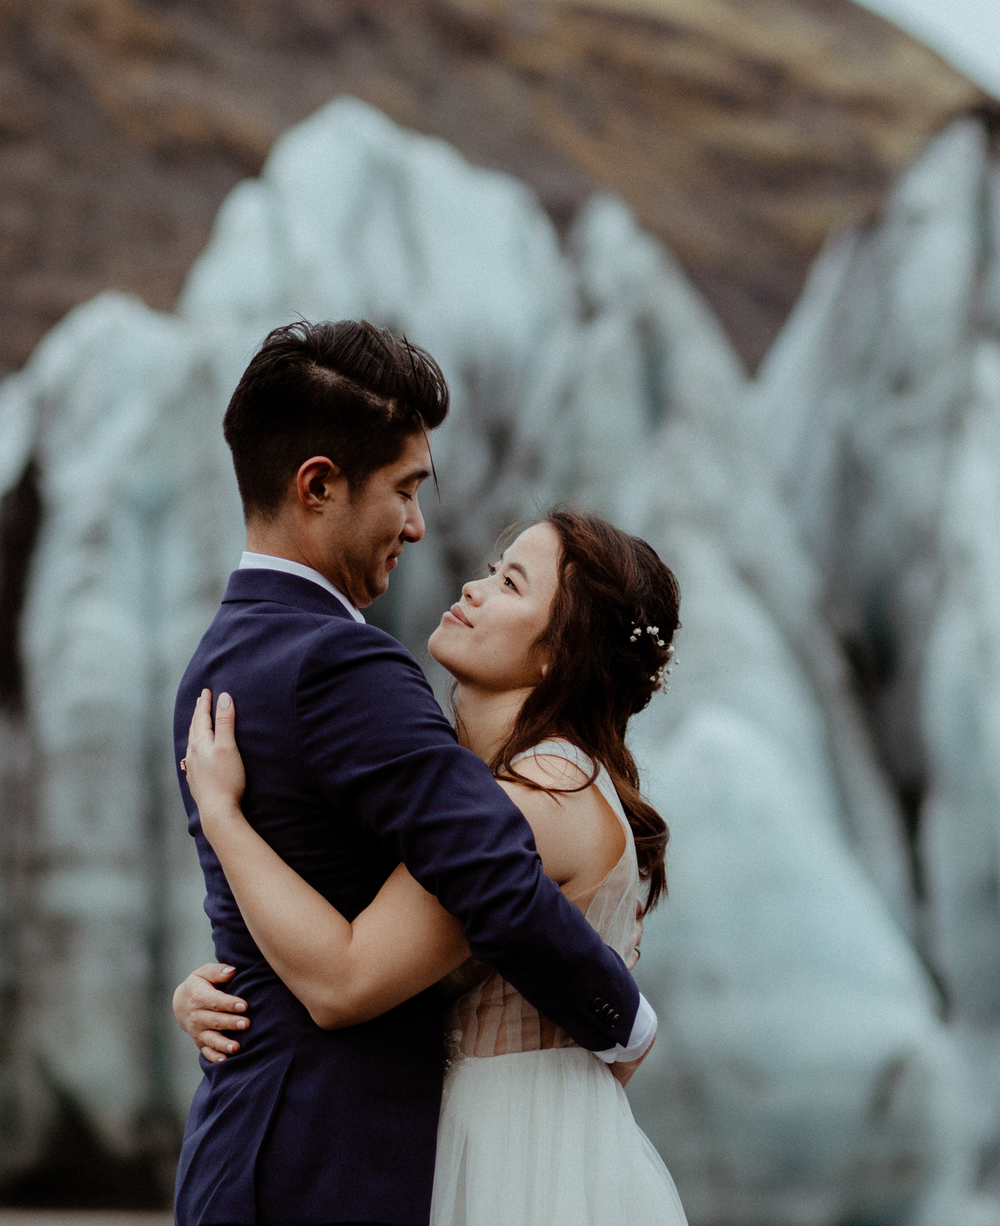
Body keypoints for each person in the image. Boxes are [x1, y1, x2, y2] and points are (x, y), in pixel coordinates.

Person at [169, 321, 657, 1226]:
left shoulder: (218, 658)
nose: (419, 525)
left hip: (257, 1148)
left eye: (510, 583)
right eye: (403, 489)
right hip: (324, 1161)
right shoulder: (342, 666)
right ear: (318, 484)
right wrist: (627, 1020)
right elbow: (489, 876)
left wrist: (219, 980)